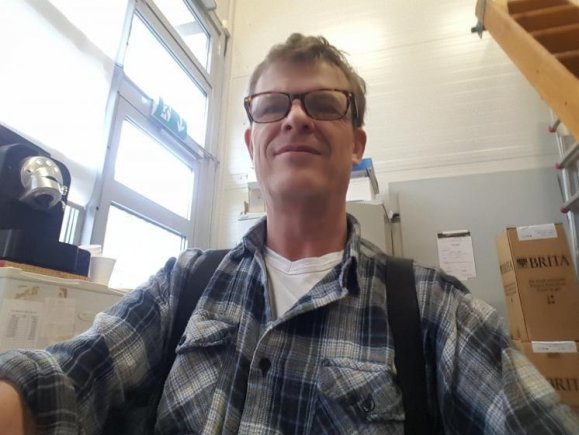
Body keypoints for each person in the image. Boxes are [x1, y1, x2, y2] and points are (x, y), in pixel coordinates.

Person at [1, 33, 578, 435]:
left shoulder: (436, 312)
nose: (296, 117)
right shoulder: (183, 285)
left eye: (323, 104)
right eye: (273, 106)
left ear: (356, 144)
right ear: (252, 143)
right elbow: (66, 377)